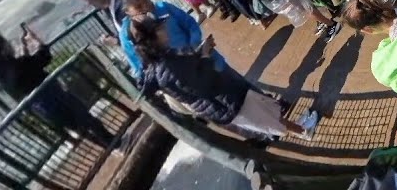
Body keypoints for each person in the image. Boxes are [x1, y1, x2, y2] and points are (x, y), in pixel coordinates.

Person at [127, 14, 316, 140]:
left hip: (227, 97)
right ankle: (304, 131)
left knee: (268, 114)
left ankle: (300, 128)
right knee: (268, 120)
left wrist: (202, 52)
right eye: (161, 28)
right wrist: (206, 55)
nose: (166, 29)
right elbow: (203, 84)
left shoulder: (163, 60)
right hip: (226, 103)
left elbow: (192, 72)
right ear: (153, 37)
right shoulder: (166, 68)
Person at [0, 29, 116, 145]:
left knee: (81, 128)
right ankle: (115, 143)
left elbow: (27, 70)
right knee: (87, 119)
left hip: (42, 109)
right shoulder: (18, 67)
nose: (10, 45)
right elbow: (44, 58)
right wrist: (36, 40)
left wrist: (24, 47)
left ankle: (109, 146)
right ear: (3, 50)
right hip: (56, 97)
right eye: (7, 43)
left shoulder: (3, 78)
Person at [116, 0, 234, 80]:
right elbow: (139, 68)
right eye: (138, 6)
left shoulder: (164, 7)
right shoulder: (127, 37)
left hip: (205, 57)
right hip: (187, 78)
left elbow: (191, 24)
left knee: (235, 82)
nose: (146, 6)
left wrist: (193, 45)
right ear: (127, 12)